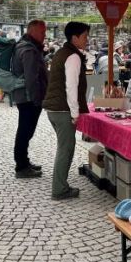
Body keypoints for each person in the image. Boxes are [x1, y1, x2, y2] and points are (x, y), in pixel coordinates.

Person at [42, 21, 90, 200]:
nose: (87, 39)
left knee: (65, 147)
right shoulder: (73, 56)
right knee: (65, 149)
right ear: (74, 38)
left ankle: (61, 185)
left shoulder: (62, 53)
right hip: (63, 110)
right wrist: (75, 112)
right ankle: (59, 189)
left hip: (55, 108)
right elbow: (71, 86)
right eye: (85, 36)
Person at [11, 20, 48, 179]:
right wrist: (37, 99)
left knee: (25, 130)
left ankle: (24, 161)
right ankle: (21, 166)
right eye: (42, 32)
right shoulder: (29, 50)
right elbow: (31, 78)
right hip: (28, 98)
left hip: (25, 96)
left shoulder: (24, 46)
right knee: (25, 131)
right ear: (32, 31)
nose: (44, 35)